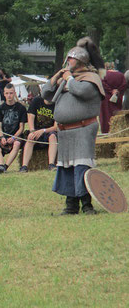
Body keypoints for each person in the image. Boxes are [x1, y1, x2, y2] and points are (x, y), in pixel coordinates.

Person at [42, 37, 105, 215]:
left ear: (81, 61)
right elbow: (46, 95)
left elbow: (81, 92)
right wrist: (55, 79)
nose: (68, 61)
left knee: (82, 166)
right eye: (68, 58)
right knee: (67, 167)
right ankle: (71, 205)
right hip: (66, 131)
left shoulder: (91, 78)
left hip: (83, 128)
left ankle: (86, 204)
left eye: (72, 58)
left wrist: (69, 79)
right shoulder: (67, 78)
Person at [0, 83, 27, 174]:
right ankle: (0, 165)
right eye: (7, 93)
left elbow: (21, 128)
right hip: (4, 135)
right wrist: (2, 137)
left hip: (17, 135)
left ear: (15, 93)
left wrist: (14, 137)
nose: (9, 95)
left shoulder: (21, 108)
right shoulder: (0, 109)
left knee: (16, 144)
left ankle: (5, 166)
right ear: (4, 94)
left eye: (11, 93)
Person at [19, 96, 58, 173]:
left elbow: (56, 127)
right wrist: (32, 131)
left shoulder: (57, 104)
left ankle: (51, 164)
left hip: (49, 131)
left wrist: (43, 131)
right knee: (30, 137)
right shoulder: (36, 101)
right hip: (36, 130)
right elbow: (30, 117)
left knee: (53, 136)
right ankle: (24, 166)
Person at [99, 62, 126, 133]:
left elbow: (102, 83)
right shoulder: (121, 75)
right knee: (116, 115)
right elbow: (124, 84)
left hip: (106, 99)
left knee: (106, 116)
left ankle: (106, 131)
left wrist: (111, 91)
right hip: (117, 98)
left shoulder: (104, 75)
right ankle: (117, 131)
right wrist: (117, 91)